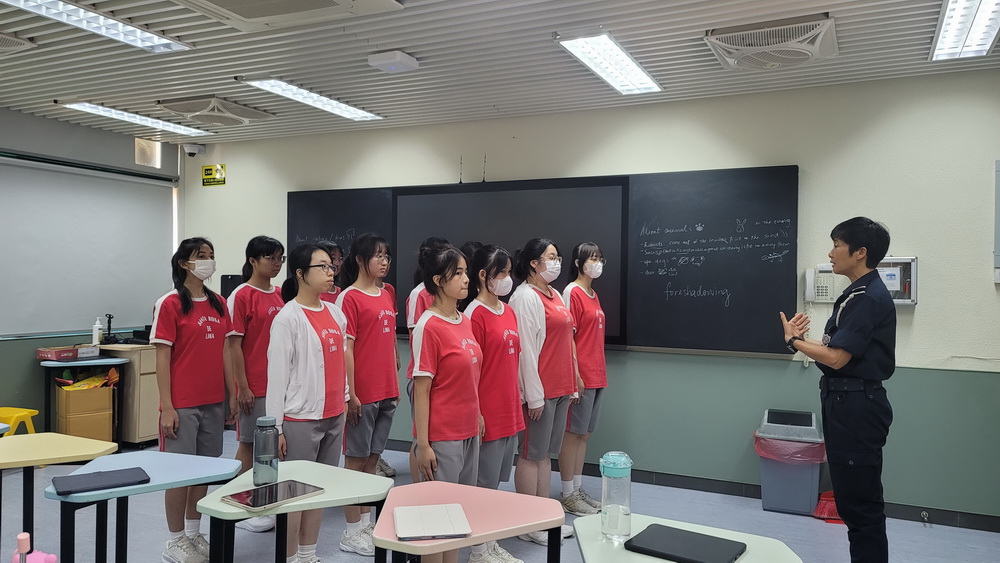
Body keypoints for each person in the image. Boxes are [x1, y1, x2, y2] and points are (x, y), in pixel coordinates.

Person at [780, 217, 895, 563]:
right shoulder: (857, 294)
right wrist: (799, 340)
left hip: (856, 407)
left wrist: (794, 342)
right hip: (847, 403)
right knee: (852, 502)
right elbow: (835, 351)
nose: (830, 253)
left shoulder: (866, 298)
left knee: (860, 507)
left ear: (860, 252)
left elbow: (837, 358)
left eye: (837, 245)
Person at [151, 237, 237, 563]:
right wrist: (167, 406)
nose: (208, 261)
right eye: (201, 255)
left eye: (211, 255)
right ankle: (174, 540)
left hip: (213, 400)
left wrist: (231, 394)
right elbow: (162, 358)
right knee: (178, 474)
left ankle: (192, 532)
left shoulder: (219, 302)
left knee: (203, 472)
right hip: (182, 404)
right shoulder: (170, 303)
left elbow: (226, 351)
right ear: (184, 263)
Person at [267, 243, 350, 563]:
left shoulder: (335, 313)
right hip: (300, 419)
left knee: (319, 490)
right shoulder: (287, 319)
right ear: (301, 274)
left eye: (332, 266)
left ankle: (307, 554)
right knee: (294, 495)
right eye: (323, 267)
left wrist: (345, 400)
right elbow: (277, 377)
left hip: (333, 414)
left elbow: (340, 364)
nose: (331, 272)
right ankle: (289, 557)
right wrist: (276, 428)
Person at [411, 245, 482, 563]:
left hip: (469, 430)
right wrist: (424, 445)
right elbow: (422, 390)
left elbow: (469, 376)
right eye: (459, 274)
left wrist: (478, 413)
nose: (466, 279)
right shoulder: (429, 326)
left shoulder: (463, 320)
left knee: (458, 516)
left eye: (466, 272)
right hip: (443, 436)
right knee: (438, 522)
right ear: (439, 280)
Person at [508, 238, 580, 546]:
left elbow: (564, 341)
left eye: (558, 257)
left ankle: (544, 519)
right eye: (551, 257)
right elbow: (525, 351)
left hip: (560, 388)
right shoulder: (525, 297)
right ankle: (527, 523)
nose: (557, 262)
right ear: (534, 263)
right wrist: (534, 396)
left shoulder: (554, 294)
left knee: (545, 455)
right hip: (540, 391)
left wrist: (572, 384)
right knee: (531, 455)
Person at [335, 233, 400, 556]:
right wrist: (350, 393)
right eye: (378, 256)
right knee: (356, 460)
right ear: (360, 260)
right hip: (363, 392)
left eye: (387, 256)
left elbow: (389, 342)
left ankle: (365, 523)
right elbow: (346, 348)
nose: (384, 261)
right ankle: (351, 530)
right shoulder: (349, 297)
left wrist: (394, 382)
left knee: (373, 459)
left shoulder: (386, 293)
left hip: (387, 389)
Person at [462, 245, 524, 563]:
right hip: (487, 411)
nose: (507, 278)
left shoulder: (508, 310)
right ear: (483, 275)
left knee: (496, 482)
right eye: (502, 273)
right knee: (482, 484)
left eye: (509, 272)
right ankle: (479, 550)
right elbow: (469, 370)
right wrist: (477, 411)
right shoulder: (474, 314)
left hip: (509, 407)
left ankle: (489, 541)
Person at [226, 235, 286, 534]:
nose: (276, 264)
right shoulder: (241, 295)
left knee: (272, 449)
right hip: (254, 385)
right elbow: (233, 346)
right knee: (249, 446)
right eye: (270, 258)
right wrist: (243, 387)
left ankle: (265, 500)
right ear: (253, 260)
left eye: (279, 258)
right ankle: (241, 504)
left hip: (279, 385)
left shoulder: (280, 294)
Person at [557, 242, 607, 517]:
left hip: (598, 373)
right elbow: (568, 336)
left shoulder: (593, 294)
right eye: (591, 258)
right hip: (581, 375)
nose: (596, 263)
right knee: (572, 433)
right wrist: (575, 374)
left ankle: (577, 488)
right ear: (578, 263)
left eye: (599, 258)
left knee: (584, 435)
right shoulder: (572, 292)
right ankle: (567, 493)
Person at [404, 237, 451, 480]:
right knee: (421, 437)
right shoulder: (419, 294)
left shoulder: (450, 294)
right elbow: (416, 337)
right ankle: (418, 485)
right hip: (423, 374)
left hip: (444, 377)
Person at [316, 240, 345, 304]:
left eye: (340, 259)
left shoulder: (342, 292)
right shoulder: (314, 293)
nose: (337, 263)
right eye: (333, 258)